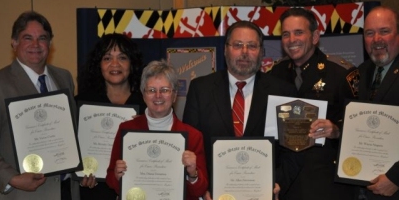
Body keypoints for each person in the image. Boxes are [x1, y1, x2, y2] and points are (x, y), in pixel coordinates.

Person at [182, 20, 300, 199]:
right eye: (238, 45)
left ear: (261, 52)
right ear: (225, 50)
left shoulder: (283, 92)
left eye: (252, 46)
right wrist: (203, 187)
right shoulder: (201, 89)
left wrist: (277, 183)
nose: (244, 52)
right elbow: (192, 147)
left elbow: (292, 150)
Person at [269, 7, 359, 200]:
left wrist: (337, 130)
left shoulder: (341, 72)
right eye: (286, 34)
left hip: (327, 184)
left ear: (315, 36)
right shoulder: (274, 74)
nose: (292, 39)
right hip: (285, 184)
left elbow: (363, 126)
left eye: (299, 32)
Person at [0, 11, 79, 199]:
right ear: (14, 42)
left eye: (42, 38)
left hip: (67, 190)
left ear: (50, 44)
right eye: (27, 38)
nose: (36, 45)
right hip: (24, 194)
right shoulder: (1, 83)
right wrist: (11, 178)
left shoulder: (64, 77)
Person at [106, 60, 208, 199]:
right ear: (143, 95)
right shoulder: (127, 130)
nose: (158, 95)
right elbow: (111, 179)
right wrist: (117, 176)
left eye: (165, 90)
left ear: (174, 95)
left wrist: (193, 174)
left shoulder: (193, 136)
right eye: (152, 90)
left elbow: (199, 190)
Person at [75, 33, 146, 199]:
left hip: (137, 190)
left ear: (132, 64)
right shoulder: (82, 105)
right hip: (95, 192)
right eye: (107, 58)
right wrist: (79, 177)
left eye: (122, 57)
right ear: (98, 65)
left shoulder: (147, 105)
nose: (115, 64)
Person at [357, 6, 399, 199]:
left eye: (384, 31)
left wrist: (396, 178)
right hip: (364, 187)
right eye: (369, 33)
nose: (376, 39)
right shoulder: (361, 71)